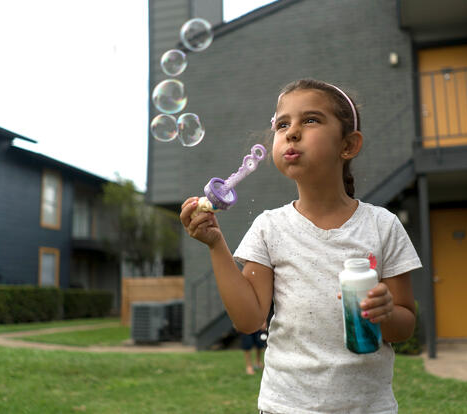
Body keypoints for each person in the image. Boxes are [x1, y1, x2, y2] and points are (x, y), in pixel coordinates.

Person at [180, 79, 422, 414]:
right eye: (282, 124)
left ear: (348, 145)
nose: (292, 132)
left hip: (367, 407)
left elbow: (405, 325)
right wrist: (216, 244)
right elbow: (249, 320)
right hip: (286, 406)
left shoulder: (382, 226)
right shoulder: (269, 227)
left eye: (310, 120)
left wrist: (385, 313)